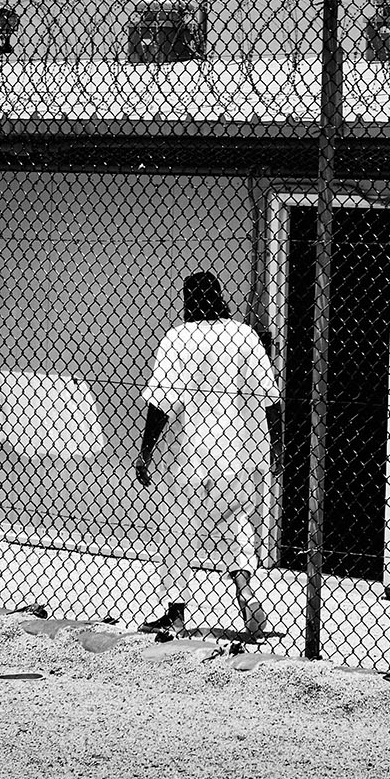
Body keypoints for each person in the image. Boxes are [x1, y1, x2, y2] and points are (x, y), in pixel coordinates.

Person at [135, 271, 279, 640]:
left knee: (179, 533)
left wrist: (145, 453)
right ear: (220, 297)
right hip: (244, 455)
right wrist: (277, 450)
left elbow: (160, 404)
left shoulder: (178, 339)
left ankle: (176, 614)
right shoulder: (243, 336)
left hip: (196, 455)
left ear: (187, 300)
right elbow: (271, 400)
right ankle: (245, 588)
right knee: (237, 523)